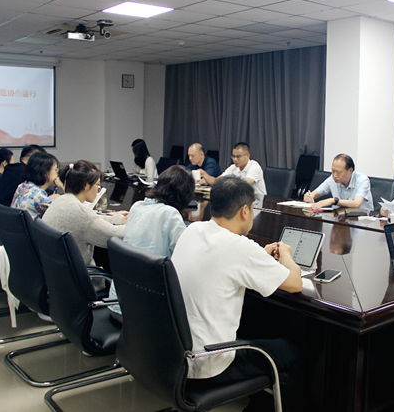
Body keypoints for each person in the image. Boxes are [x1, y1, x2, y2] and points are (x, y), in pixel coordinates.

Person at [172, 176, 302, 411]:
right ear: (245, 211)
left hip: (175, 355)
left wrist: (259, 256)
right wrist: (286, 255)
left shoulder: (192, 230)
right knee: (292, 353)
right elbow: (295, 283)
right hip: (208, 365)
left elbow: (223, 264)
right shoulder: (240, 248)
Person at [108, 165, 194, 321]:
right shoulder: (170, 213)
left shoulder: (136, 206)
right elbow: (185, 257)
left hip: (117, 304)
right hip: (144, 315)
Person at [42, 160, 125, 266]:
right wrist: (135, 224)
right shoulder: (81, 214)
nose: (98, 190)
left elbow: (92, 218)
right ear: (85, 185)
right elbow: (114, 235)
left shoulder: (61, 201)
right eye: (97, 185)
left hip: (56, 270)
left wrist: (119, 219)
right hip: (83, 273)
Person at [303, 154, 373, 211]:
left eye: (339, 172)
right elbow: (314, 194)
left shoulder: (362, 180)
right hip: (339, 217)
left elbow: (357, 203)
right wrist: (309, 196)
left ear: (350, 170)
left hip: (361, 219)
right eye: (333, 171)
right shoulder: (332, 178)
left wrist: (334, 201)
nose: (335, 175)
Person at [198, 142, 267, 197]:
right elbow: (216, 181)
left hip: (257, 203)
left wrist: (226, 183)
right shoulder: (233, 167)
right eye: (233, 156)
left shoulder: (254, 166)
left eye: (238, 156)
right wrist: (204, 174)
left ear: (247, 156)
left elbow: (244, 185)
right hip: (240, 200)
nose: (235, 159)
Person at [11, 152, 61, 219]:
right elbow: (66, 210)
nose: (58, 173)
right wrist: (62, 186)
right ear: (44, 172)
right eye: (56, 170)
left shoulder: (22, 186)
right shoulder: (38, 196)